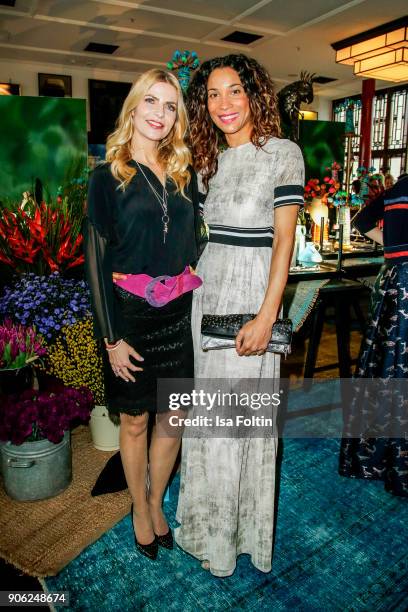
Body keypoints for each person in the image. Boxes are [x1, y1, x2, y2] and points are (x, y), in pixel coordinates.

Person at [175, 54, 304, 576]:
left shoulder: (283, 154)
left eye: (234, 91)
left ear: (254, 95)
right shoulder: (208, 162)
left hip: (251, 300)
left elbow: (284, 244)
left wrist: (267, 315)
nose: (223, 104)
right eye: (212, 94)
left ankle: (236, 537)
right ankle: (207, 526)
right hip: (206, 298)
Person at [84, 69, 202, 560]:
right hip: (129, 322)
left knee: (171, 420)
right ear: (134, 108)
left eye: (170, 106)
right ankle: (138, 506)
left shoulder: (184, 174)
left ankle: (156, 501)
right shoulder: (106, 177)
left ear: (178, 117)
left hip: (177, 318)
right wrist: (111, 338)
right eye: (151, 102)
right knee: (134, 422)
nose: (160, 113)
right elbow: (94, 263)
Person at [339, 174, 408, 497]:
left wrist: (392, 244)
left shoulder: (397, 190)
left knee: (384, 366)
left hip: (394, 281)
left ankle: (375, 455)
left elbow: (362, 220)